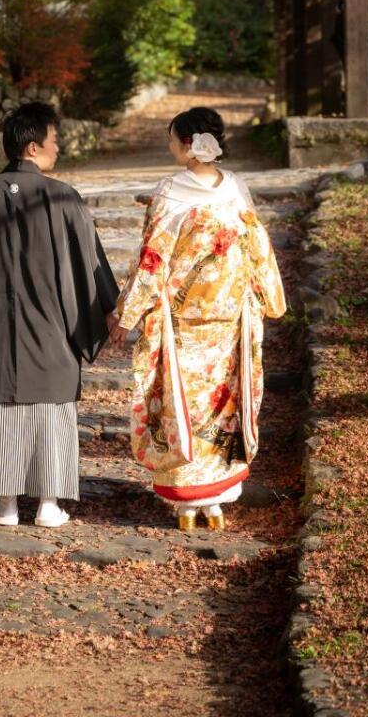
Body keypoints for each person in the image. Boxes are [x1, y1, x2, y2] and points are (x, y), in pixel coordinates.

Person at [111, 107, 286, 531]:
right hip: (230, 319)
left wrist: (125, 315)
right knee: (224, 403)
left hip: (182, 321)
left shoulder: (171, 190)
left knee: (181, 404)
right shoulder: (236, 189)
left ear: (189, 144)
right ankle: (218, 502)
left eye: (172, 139)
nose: (170, 146)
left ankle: (188, 505)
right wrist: (270, 298)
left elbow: (153, 261)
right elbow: (257, 247)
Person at [0, 102, 119, 529]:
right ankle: (48, 504)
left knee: (3, 403)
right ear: (31, 148)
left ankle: (6, 505)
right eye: (53, 140)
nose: (57, 148)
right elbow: (88, 262)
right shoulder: (63, 197)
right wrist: (107, 307)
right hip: (53, 323)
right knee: (52, 406)